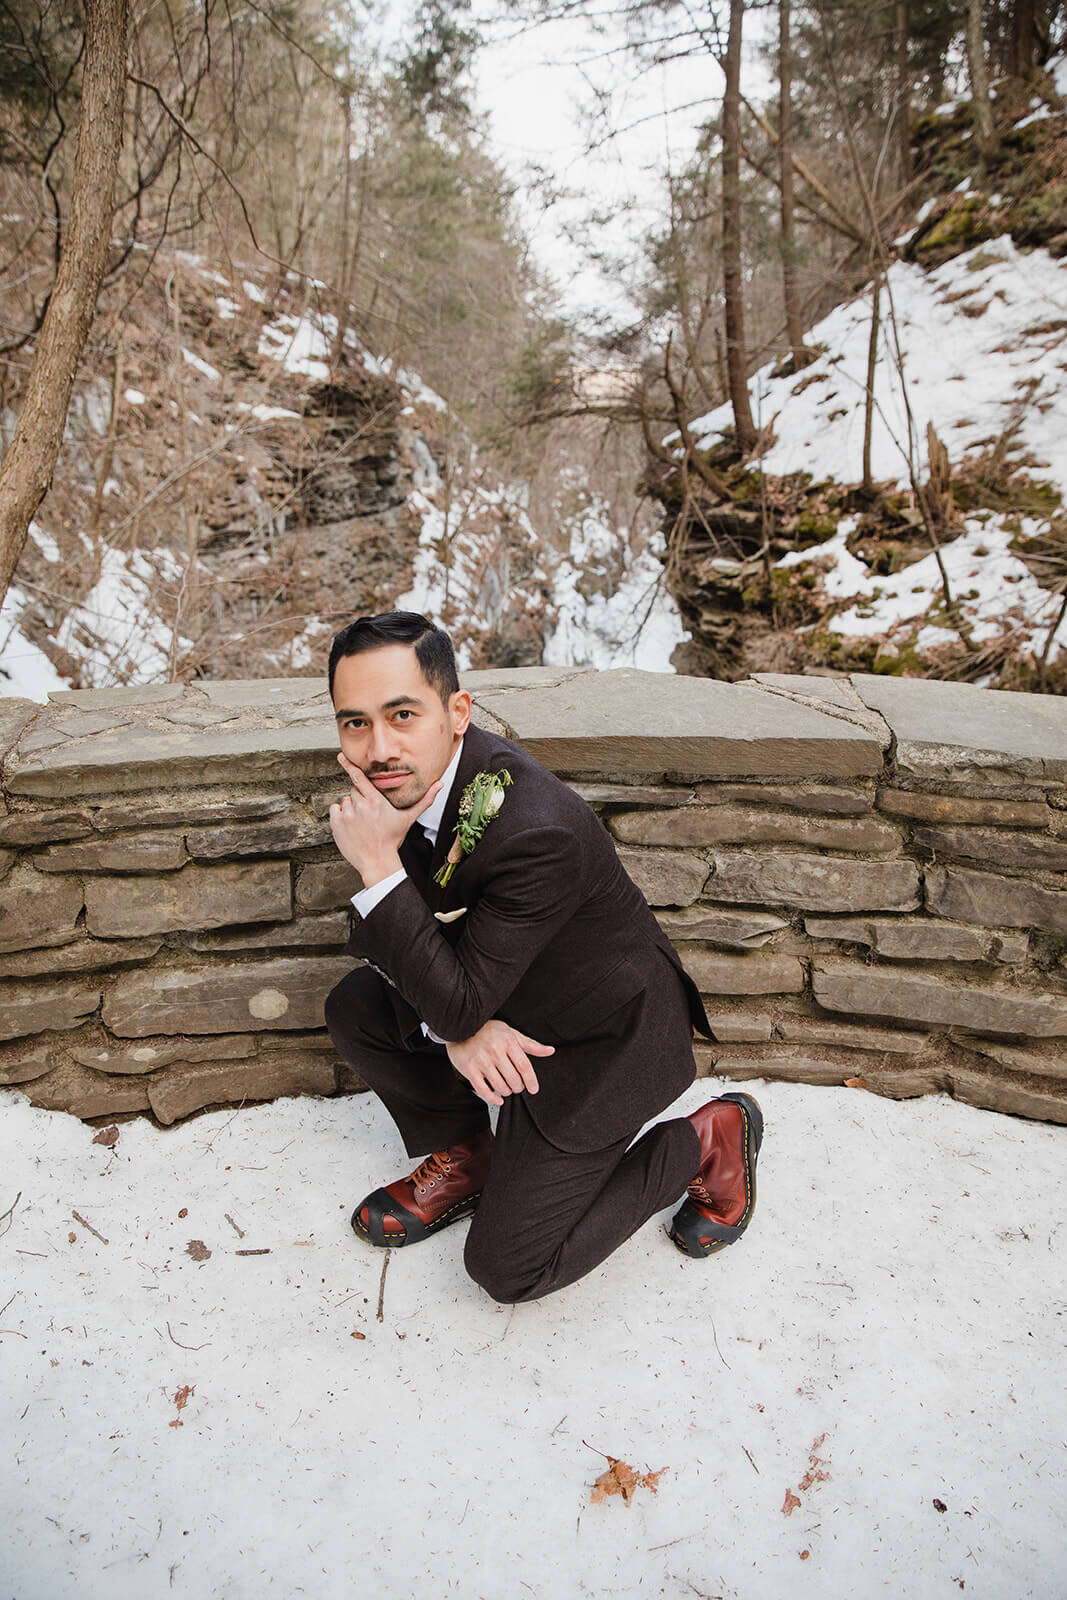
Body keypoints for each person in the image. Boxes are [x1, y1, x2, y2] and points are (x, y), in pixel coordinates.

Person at [324, 611, 762, 1303]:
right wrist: (460, 1032)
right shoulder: (407, 784)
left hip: (598, 1039)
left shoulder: (537, 831)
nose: (378, 748)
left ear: (456, 711)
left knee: (507, 1270)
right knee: (355, 1007)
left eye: (402, 714)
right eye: (355, 722)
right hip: (499, 986)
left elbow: (426, 954)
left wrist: (379, 866)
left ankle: (704, 1139)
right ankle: (472, 1154)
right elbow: (382, 938)